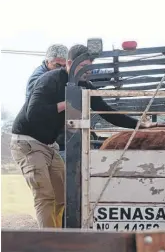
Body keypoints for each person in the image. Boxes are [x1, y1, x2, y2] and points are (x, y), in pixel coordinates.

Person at [10, 44, 155, 229]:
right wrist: (67, 102)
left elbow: (107, 112)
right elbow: (34, 113)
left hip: (49, 144)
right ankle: (48, 244)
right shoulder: (50, 80)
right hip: (28, 142)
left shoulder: (84, 86)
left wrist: (140, 125)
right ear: (69, 63)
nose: (87, 71)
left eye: (89, 66)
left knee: (63, 197)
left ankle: (60, 237)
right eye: (83, 66)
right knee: (45, 195)